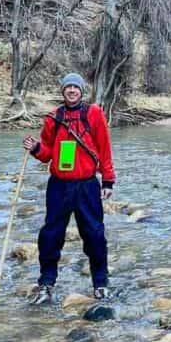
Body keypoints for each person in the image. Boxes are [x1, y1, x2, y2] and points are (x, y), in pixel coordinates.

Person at [22, 73, 116, 305]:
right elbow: (46, 155)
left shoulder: (93, 113)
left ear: (81, 91)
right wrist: (35, 147)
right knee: (50, 235)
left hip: (87, 185)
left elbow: (104, 148)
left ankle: (100, 284)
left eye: (76, 87)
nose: (72, 90)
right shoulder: (53, 118)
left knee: (94, 235)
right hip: (59, 186)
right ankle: (46, 284)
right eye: (68, 87)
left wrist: (108, 180)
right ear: (62, 91)